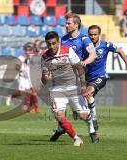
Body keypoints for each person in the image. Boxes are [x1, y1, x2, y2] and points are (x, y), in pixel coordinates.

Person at [41, 31, 96, 146]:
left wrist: (83, 87)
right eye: (48, 44)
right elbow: (44, 81)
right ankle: (76, 138)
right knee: (59, 116)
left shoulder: (68, 51)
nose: (51, 47)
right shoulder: (45, 57)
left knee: (83, 116)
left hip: (73, 87)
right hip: (57, 90)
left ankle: (91, 126)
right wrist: (45, 77)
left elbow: (80, 69)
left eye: (54, 43)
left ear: (58, 42)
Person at [50, 13, 98, 143]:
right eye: (66, 23)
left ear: (76, 25)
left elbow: (93, 54)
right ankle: (60, 128)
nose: (66, 25)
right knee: (60, 111)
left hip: (78, 77)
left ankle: (92, 129)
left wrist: (86, 62)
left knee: (82, 114)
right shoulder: (63, 39)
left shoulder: (84, 39)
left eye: (68, 23)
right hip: (62, 79)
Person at [83, 25, 127, 130]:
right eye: (91, 35)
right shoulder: (85, 47)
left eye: (95, 34)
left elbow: (120, 51)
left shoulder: (105, 45)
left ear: (99, 35)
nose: (93, 37)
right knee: (87, 98)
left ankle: (93, 119)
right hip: (86, 78)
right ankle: (92, 121)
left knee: (88, 93)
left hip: (101, 76)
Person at [6, 43, 41, 113]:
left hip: (30, 76)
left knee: (33, 92)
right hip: (22, 77)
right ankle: (11, 96)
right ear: (24, 50)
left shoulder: (32, 57)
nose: (28, 51)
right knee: (21, 93)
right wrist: (21, 68)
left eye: (30, 49)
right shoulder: (20, 57)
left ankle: (34, 108)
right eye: (27, 49)